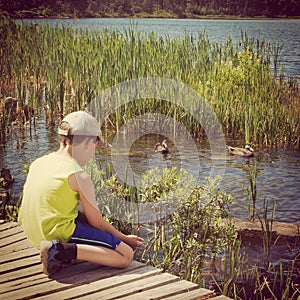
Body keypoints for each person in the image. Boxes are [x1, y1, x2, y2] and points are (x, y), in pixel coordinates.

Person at [18, 110, 143, 276]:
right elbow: (96, 222)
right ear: (87, 143)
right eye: (95, 147)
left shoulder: (39, 163)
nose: (92, 154)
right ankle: (59, 250)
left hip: (32, 233)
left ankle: (60, 249)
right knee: (125, 255)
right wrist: (124, 239)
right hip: (53, 234)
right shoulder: (78, 175)